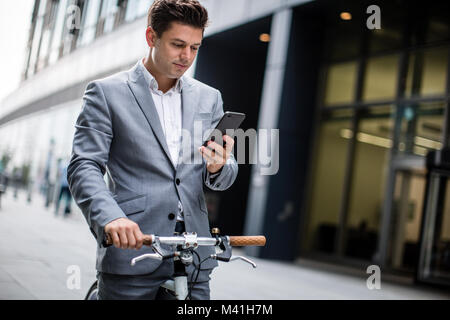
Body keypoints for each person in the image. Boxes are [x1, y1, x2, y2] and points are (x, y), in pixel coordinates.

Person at [67, 0, 238, 300]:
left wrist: (218, 166)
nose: (186, 56)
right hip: (133, 251)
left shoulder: (209, 98)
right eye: (178, 45)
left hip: (195, 257)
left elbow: (226, 174)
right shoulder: (106, 93)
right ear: (151, 37)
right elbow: (84, 166)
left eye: (195, 47)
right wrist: (111, 218)